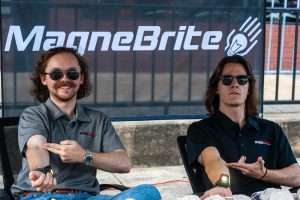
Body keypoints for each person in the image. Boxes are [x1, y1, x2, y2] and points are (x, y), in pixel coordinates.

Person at [11, 47, 161, 200]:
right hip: (43, 196)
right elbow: (36, 146)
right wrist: (42, 171)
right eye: (56, 74)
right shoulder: (34, 114)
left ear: (81, 78)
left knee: (148, 192)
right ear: (44, 79)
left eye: (72, 73)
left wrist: (84, 155)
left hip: (87, 197)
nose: (65, 79)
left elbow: (124, 163)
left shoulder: (98, 119)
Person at [186, 55, 300, 199]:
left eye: (242, 79)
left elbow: (296, 176)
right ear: (216, 88)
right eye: (227, 80)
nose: (235, 84)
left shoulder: (271, 129)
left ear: (249, 87)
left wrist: (264, 173)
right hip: (230, 197)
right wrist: (223, 185)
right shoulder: (201, 129)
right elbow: (212, 159)